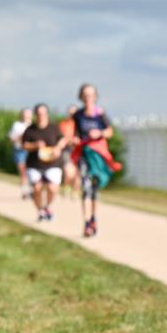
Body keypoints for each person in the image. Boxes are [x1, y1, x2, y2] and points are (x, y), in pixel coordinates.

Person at [71, 84, 119, 237]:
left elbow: (110, 132)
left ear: (95, 96)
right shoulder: (77, 115)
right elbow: (74, 134)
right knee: (86, 188)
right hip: (84, 155)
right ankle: (86, 222)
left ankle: (93, 219)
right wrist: (76, 140)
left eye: (91, 95)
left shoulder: (101, 114)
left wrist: (99, 132)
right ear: (81, 97)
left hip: (98, 155)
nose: (88, 98)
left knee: (95, 189)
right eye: (85, 95)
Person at [21, 103, 67, 222]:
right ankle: (40, 210)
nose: (41, 116)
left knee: (52, 188)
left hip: (53, 163)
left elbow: (62, 139)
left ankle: (47, 207)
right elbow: (24, 145)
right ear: (36, 115)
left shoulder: (54, 127)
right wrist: (35, 145)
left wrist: (57, 148)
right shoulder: (30, 129)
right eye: (39, 114)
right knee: (37, 188)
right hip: (35, 164)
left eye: (43, 113)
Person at [9, 108, 33, 199]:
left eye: (28, 114)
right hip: (19, 150)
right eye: (25, 113)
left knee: (30, 171)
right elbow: (11, 138)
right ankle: (24, 191)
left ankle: (31, 190)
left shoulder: (33, 125)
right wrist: (20, 137)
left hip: (31, 150)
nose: (26, 115)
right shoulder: (17, 125)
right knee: (22, 171)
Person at [59, 104, 79, 199]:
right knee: (68, 171)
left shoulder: (81, 125)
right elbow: (60, 138)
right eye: (71, 113)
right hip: (67, 150)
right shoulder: (63, 124)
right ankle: (66, 186)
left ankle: (75, 191)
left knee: (77, 172)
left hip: (79, 150)